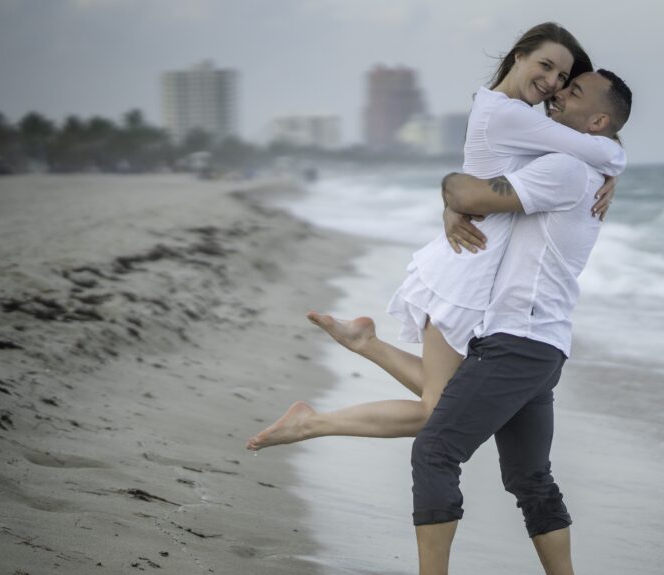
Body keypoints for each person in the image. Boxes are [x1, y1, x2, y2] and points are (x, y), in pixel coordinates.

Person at [245, 23, 625, 452]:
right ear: (518, 55)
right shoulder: (509, 114)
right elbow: (598, 147)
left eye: (562, 77)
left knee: (447, 399)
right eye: (546, 65)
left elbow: (558, 153)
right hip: (465, 269)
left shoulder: (503, 110)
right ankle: (310, 422)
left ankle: (362, 345)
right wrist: (617, 163)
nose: (553, 82)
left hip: (470, 262)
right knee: (437, 411)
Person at [380, 68, 634, 575]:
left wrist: (451, 194)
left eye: (573, 91)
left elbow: (469, 191)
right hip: (542, 346)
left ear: (596, 121)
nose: (558, 92)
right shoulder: (580, 167)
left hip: (518, 341)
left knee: (436, 449)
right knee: (528, 477)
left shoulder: (566, 168)